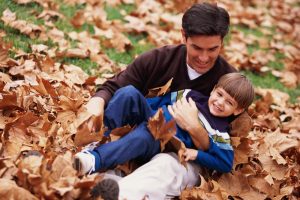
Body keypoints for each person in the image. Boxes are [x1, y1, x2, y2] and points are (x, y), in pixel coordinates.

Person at [84, 2, 242, 154]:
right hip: (140, 126)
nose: (203, 57)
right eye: (196, 47)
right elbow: (114, 87)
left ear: (222, 42)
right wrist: (97, 102)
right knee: (126, 95)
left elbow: (228, 143)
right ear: (183, 36)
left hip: (183, 151)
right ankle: (97, 148)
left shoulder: (230, 82)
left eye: (213, 49)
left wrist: (196, 129)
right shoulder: (158, 59)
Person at [81, 72, 254, 200]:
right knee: (129, 93)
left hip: (165, 141)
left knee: (146, 136)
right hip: (153, 120)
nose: (219, 102)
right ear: (214, 89)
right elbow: (158, 102)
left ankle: (97, 164)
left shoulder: (220, 132)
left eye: (229, 102)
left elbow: (224, 163)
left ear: (238, 110)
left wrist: (197, 154)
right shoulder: (189, 95)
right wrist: (138, 109)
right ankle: (96, 145)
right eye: (219, 94)